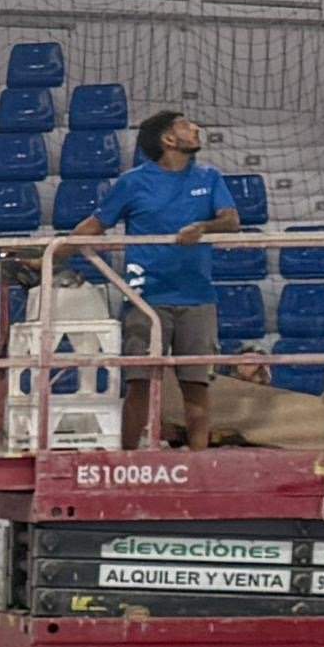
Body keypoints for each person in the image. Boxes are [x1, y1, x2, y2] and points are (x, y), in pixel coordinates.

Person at [80, 110, 246, 448]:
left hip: (197, 297)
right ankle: (126, 461)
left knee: (196, 387)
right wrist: (51, 254)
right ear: (168, 139)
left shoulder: (210, 177)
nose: (196, 127)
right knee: (139, 384)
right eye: (185, 125)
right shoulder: (132, 182)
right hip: (145, 298)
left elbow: (231, 220)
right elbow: (96, 225)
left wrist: (203, 227)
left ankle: (198, 464)